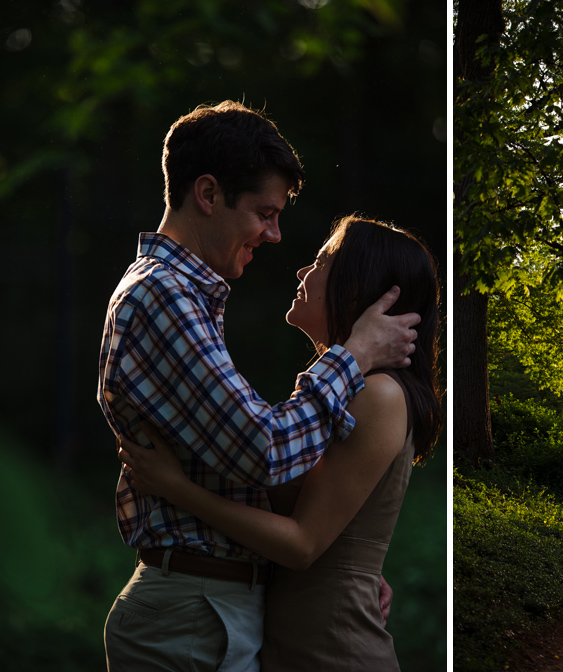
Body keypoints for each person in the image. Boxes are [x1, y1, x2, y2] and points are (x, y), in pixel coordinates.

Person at [98, 102, 419, 672]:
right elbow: (265, 452)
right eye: (264, 213)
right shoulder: (166, 296)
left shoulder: (187, 296)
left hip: (216, 611)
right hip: (194, 614)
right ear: (208, 194)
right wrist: (352, 354)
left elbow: (292, 499)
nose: (275, 237)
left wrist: (350, 561)